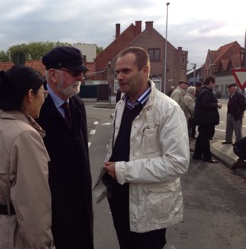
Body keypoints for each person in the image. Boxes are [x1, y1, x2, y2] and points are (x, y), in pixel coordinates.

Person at [94, 47, 190, 249]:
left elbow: (177, 163)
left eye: (126, 71)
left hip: (149, 207)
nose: (119, 77)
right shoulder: (122, 104)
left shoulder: (168, 109)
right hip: (120, 201)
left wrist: (123, 170)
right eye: (117, 72)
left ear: (145, 71)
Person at [0, 65, 54, 248]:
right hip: (12, 234)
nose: (44, 99)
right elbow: (34, 208)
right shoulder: (25, 136)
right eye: (43, 94)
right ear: (30, 95)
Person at [37, 46, 94, 249]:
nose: (80, 78)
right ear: (52, 75)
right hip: (54, 206)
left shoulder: (77, 104)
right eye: (74, 73)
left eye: (82, 73)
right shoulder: (36, 110)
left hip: (81, 201)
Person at [193, 76, 222, 163]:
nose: (214, 85)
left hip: (203, 119)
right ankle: (207, 156)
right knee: (205, 138)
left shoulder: (203, 91)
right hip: (206, 119)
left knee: (201, 137)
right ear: (210, 82)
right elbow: (205, 104)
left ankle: (197, 154)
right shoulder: (206, 92)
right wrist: (216, 105)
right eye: (214, 83)